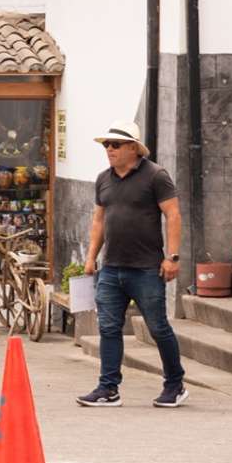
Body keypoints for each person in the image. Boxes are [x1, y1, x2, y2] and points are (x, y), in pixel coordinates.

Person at [79, 120, 188, 408]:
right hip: (111, 268)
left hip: (146, 268)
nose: (109, 150)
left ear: (133, 148)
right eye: (106, 145)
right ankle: (108, 388)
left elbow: (173, 215)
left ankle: (175, 384)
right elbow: (98, 221)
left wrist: (172, 257)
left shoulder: (156, 176)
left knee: (158, 328)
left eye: (115, 145)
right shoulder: (103, 178)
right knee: (109, 328)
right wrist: (91, 257)